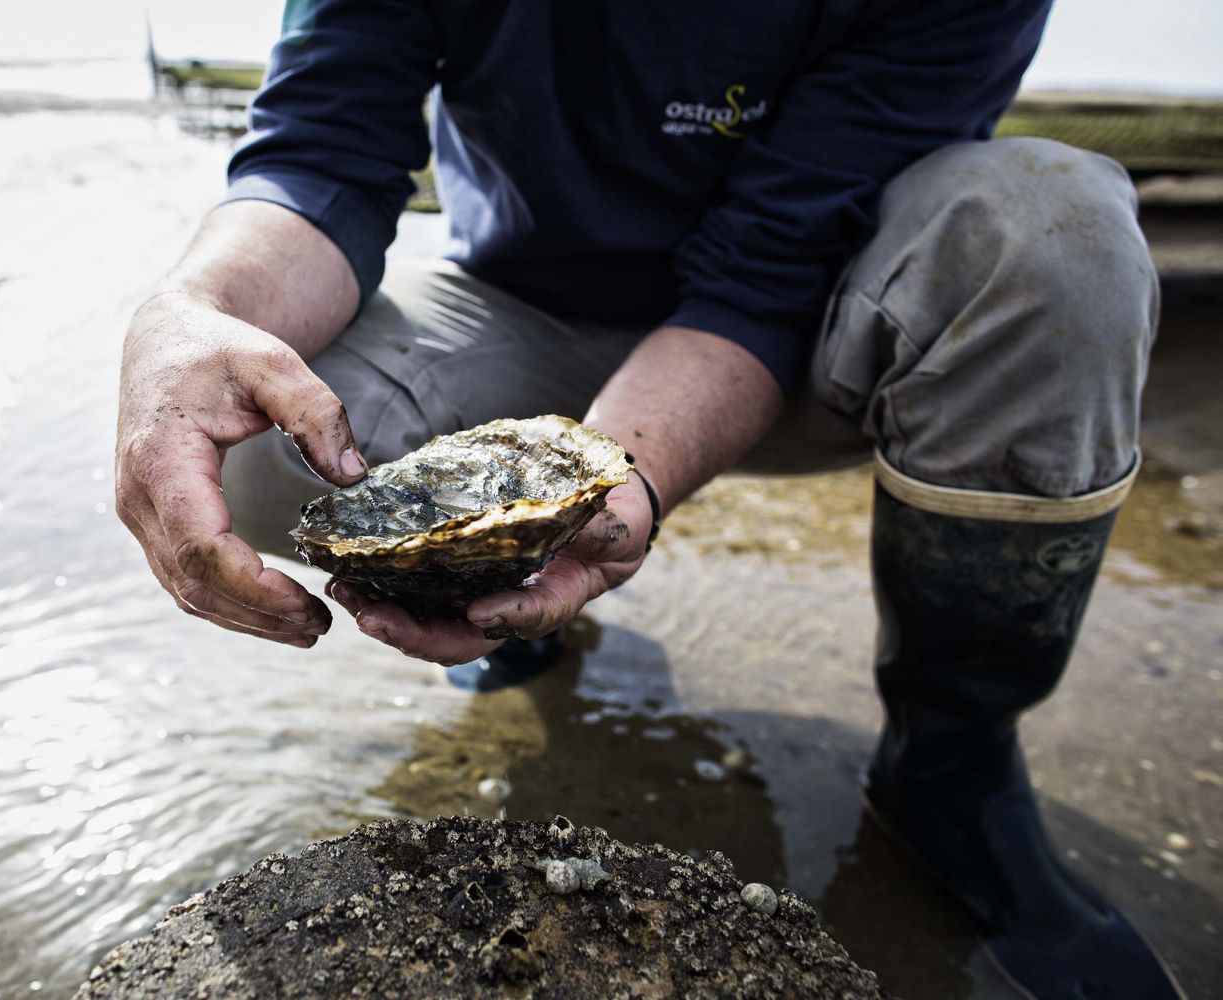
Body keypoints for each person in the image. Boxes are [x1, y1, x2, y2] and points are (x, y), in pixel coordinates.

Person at [114, 1, 1180, 996]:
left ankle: (956, 764)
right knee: (261, 451)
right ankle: (503, 621)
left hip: (815, 329)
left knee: (1055, 231)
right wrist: (191, 309)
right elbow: (324, 151)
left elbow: (765, 271)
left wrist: (626, 466)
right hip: (523, 300)